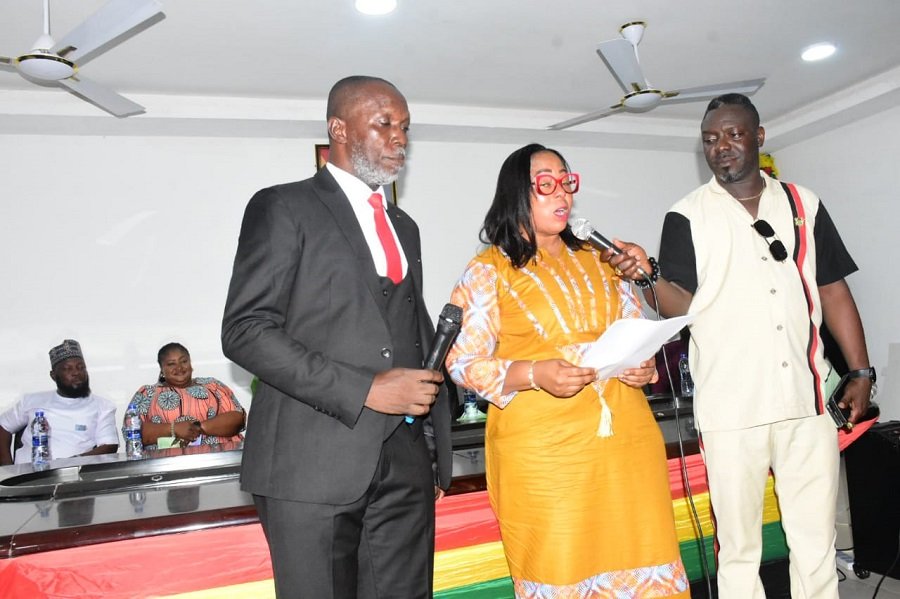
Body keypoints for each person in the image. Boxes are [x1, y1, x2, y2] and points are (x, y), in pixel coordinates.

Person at [613, 93, 873, 598]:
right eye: (710, 140)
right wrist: (647, 277)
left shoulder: (804, 204)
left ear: (758, 137)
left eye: (732, 134)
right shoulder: (685, 216)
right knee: (738, 550)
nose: (721, 147)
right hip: (730, 411)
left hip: (808, 403)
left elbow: (833, 288)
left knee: (815, 543)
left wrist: (860, 373)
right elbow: (676, 306)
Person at [221, 75, 452, 599]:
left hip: (406, 463)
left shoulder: (404, 226)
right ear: (338, 129)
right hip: (311, 463)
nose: (401, 138)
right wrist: (367, 389)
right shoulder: (283, 206)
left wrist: (435, 446)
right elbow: (245, 331)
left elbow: (407, 332)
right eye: (385, 123)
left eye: (406, 128)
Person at [445, 143, 689, 597]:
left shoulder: (602, 259)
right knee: (561, 567)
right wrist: (535, 374)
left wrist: (643, 366)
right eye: (546, 183)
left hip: (626, 443)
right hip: (546, 457)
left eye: (567, 181)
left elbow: (635, 332)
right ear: (517, 192)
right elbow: (462, 361)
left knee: (645, 560)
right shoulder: (487, 271)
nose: (563, 193)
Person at [0, 339, 118, 465]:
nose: (76, 373)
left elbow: (109, 446)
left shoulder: (103, 406)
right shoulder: (30, 401)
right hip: (24, 477)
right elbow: (3, 428)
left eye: (81, 367)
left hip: (73, 476)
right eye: (68, 369)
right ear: (53, 375)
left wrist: (70, 463)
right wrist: (7, 468)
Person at [128, 342, 245, 450]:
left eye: (183, 361)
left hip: (222, 458)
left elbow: (238, 419)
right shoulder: (147, 393)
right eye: (171, 364)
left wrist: (198, 427)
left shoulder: (213, 385)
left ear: (190, 363)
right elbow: (132, 433)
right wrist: (174, 429)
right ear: (162, 370)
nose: (179, 368)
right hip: (166, 465)